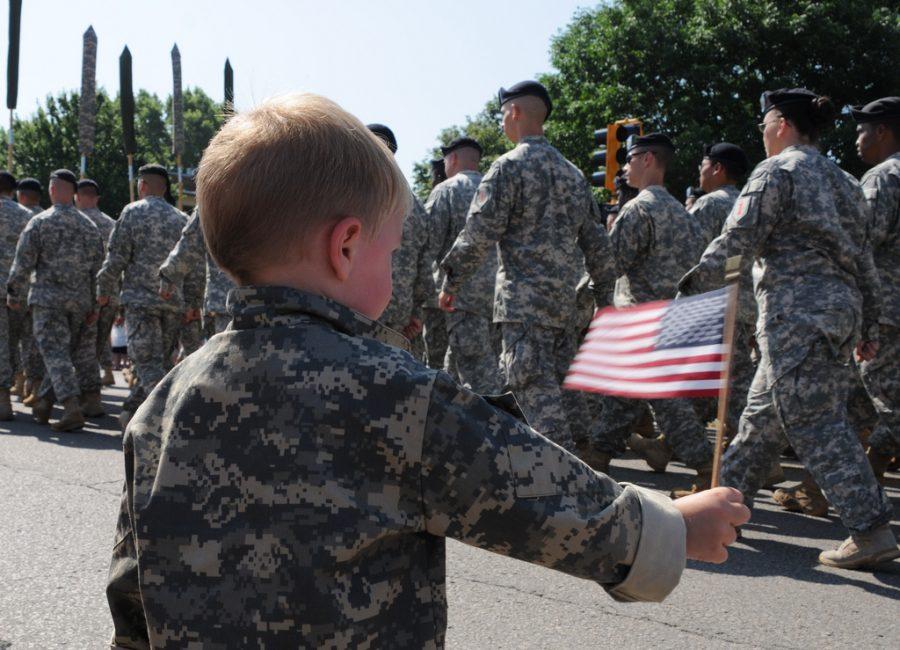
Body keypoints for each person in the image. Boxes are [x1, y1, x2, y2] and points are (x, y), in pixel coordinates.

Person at [105, 92, 749, 647]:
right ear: (346, 246)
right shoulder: (395, 394)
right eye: (391, 250)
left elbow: (132, 598)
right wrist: (672, 528)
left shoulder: (161, 405)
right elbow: (539, 494)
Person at [679, 88, 899, 569]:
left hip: (796, 313)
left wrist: (692, 286)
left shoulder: (778, 170)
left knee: (816, 422)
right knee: (759, 421)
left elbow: (740, 237)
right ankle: (721, 512)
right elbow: (864, 258)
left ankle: (871, 528)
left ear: (780, 123)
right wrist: (868, 322)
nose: (761, 134)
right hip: (836, 314)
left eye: (764, 124)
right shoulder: (844, 180)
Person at [591, 134, 714, 496]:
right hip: (675, 318)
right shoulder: (683, 214)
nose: (625, 167)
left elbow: (611, 265)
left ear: (646, 160)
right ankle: (597, 455)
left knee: (666, 405)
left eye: (629, 160)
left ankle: (706, 465)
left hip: (641, 321)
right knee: (622, 396)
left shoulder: (639, 209)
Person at [7, 169, 104, 432]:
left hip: (48, 300)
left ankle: (71, 407)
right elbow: (99, 271)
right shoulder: (89, 225)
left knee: (55, 354)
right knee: (62, 353)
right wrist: (96, 305)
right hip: (80, 302)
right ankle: (44, 403)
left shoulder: (40, 222)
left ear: (51, 190)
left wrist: (14, 294)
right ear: (72, 193)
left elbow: (22, 263)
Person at [96, 164, 189, 431]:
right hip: (172, 302)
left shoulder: (132, 212)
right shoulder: (180, 218)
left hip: (140, 301)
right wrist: (192, 302)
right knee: (157, 364)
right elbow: (190, 265)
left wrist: (103, 290)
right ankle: (132, 413)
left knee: (147, 364)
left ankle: (169, 421)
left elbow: (116, 258)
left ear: (142, 186)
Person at [425, 136, 500, 393]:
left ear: (452, 158)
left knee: (478, 377)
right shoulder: (497, 190)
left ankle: (497, 430)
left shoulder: (446, 190)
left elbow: (427, 245)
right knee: (467, 369)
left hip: (457, 298)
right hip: (497, 300)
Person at [852, 96, 900, 480]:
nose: (857, 136)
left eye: (862, 128)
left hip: (883, 310)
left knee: (881, 403)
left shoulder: (884, 178)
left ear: (883, 131)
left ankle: (859, 478)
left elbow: (861, 243)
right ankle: (861, 473)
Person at [368, 124, 435, 357]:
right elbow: (427, 265)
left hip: (363, 309)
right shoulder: (413, 202)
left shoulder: (357, 194)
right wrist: (417, 313)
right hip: (404, 317)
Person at [159, 208, 235, 336]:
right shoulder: (275, 194)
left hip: (227, 301)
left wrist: (168, 277)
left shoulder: (217, 194)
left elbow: (191, 244)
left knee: (231, 352)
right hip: (273, 299)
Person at [75, 179, 117, 401]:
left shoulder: (75, 222)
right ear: (97, 198)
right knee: (98, 345)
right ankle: (91, 395)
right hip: (110, 294)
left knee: (80, 347)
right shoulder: (111, 224)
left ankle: (85, 394)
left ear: (77, 196)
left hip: (82, 294)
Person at [0, 171, 34, 420]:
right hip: (19, 290)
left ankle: (3, 399)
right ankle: (24, 384)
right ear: (13, 190)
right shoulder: (28, 217)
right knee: (18, 342)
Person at [14, 177, 45, 403]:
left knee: (7, 341)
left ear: (21, 195)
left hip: (14, 286)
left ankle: (12, 385)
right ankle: (33, 385)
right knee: (32, 342)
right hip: (37, 289)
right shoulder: (41, 217)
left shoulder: (32, 218)